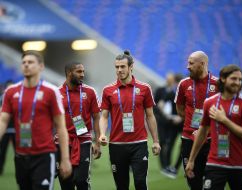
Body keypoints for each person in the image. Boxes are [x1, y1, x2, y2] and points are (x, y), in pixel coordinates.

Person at [0, 50, 72, 190]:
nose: (26, 65)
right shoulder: (11, 92)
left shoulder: (51, 91)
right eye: (24, 62)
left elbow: (61, 127)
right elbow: (3, 121)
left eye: (31, 62)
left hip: (44, 156)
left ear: (41, 66)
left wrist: (65, 159)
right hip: (20, 156)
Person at [99, 50, 161, 190]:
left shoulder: (144, 88)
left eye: (122, 67)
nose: (119, 70)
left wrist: (156, 141)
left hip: (139, 144)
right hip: (116, 144)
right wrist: (102, 134)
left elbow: (150, 115)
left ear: (131, 66)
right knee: (121, 186)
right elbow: (104, 116)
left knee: (140, 183)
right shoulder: (108, 90)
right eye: (117, 67)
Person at [186, 64, 242, 190]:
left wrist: (224, 120)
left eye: (240, 79)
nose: (237, 82)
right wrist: (191, 160)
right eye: (234, 79)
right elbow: (202, 132)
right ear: (223, 78)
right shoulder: (210, 102)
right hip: (215, 163)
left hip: (240, 165)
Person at [174, 51, 218, 190]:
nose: (188, 66)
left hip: (212, 139)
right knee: (193, 180)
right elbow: (179, 107)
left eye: (191, 63)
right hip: (188, 139)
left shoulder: (218, 84)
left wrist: (205, 128)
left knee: (213, 181)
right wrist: (191, 125)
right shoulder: (183, 84)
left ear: (203, 64)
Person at [55, 61, 101, 190]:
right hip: (62, 142)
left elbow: (96, 117)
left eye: (83, 71)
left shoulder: (90, 92)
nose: (82, 74)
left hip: (83, 140)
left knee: (81, 181)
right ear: (69, 73)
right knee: (66, 183)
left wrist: (97, 142)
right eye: (79, 72)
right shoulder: (56, 93)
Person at [154, 73, 183, 179]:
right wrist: (168, 116)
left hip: (181, 123)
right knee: (168, 144)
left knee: (184, 145)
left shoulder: (184, 93)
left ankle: (174, 167)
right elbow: (159, 104)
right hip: (170, 122)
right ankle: (167, 166)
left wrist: (181, 117)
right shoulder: (169, 92)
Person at [0, 80, 15, 175]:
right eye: (8, 87)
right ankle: (0, 169)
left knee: (23, 152)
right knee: (2, 151)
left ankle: (24, 170)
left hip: (20, 130)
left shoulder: (20, 98)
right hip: (5, 129)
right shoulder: (2, 99)